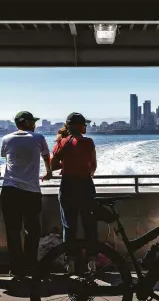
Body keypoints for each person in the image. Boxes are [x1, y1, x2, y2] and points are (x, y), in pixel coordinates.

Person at [0, 111, 52, 278]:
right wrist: (49, 172)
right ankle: (31, 264)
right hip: (31, 191)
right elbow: (46, 156)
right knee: (32, 230)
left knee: (13, 230)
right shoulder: (38, 138)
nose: (35, 124)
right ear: (27, 122)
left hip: (9, 190)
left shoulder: (6, 139)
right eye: (33, 122)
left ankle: (16, 268)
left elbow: (4, 156)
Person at [50, 112, 98, 274]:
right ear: (78, 126)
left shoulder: (62, 142)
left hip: (68, 186)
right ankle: (92, 260)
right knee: (89, 224)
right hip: (85, 185)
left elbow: (53, 166)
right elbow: (93, 167)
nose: (86, 127)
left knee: (69, 226)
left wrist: (67, 164)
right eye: (84, 124)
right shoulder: (89, 142)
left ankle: (70, 262)